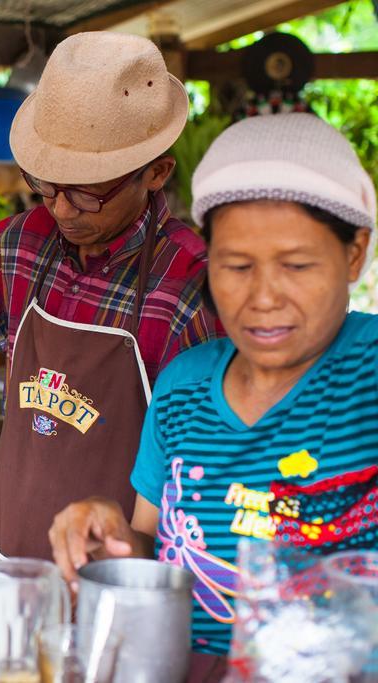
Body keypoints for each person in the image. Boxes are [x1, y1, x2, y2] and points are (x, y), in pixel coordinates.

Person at [0, 31, 220, 564]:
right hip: (4, 557)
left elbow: (204, 469)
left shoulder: (190, 285)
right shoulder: (22, 244)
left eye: (88, 193)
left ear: (156, 173)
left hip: (113, 581)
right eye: (47, 186)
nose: (63, 210)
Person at [48, 112, 378, 659]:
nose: (264, 296)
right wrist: (110, 536)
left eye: (296, 265)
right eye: (236, 265)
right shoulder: (184, 386)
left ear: (354, 254)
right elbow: (152, 549)